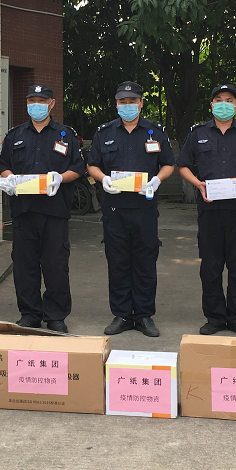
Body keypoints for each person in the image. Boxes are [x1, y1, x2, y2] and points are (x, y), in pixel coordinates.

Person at [177, 84, 236, 337]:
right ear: (211, 104)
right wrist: (198, 184)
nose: (224, 104)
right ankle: (215, 317)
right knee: (211, 265)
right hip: (210, 209)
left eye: (229, 100)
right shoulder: (198, 133)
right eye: (218, 99)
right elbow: (183, 165)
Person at [86, 81, 175, 337]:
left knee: (145, 262)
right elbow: (92, 165)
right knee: (118, 263)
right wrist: (103, 179)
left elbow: (168, 163)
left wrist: (157, 180)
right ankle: (122, 315)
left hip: (145, 209)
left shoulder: (155, 132)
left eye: (132, 101)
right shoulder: (104, 132)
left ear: (141, 103)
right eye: (122, 102)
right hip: (115, 210)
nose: (127, 106)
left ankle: (144, 315)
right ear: (116, 104)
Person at [0, 85, 85, 333]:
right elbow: (3, 166)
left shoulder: (65, 134)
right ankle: (30, 314)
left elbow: (78, 167)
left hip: (54, 211)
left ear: (52, 103)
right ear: (27, 104)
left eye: (42, 101)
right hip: (24, 211)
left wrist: (61, 178)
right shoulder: (14, 135)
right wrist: (10, 178)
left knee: (56, 265)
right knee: (24, 266)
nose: (36, 105)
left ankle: (56, 315)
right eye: (32, 100)